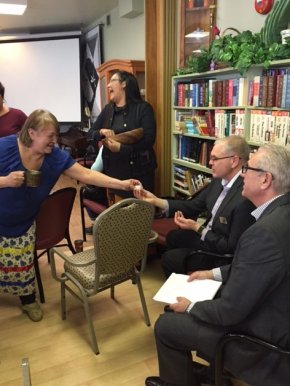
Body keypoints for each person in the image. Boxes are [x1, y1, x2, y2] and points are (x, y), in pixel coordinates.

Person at [145, 143, 290, 386]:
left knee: (166, 325)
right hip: (275, 317)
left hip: (260, 342)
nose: (243, 174)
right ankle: (208, 372)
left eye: (248, 169)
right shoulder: (279, 216)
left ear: (265, 180)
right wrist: (212, 274)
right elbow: (258, 268)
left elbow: (231, 310)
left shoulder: (263, 234)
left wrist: (191, 307)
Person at [0, 109, 141, 323]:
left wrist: (121, 184)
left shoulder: (54, 156)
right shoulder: (5, 147)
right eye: (50, 136)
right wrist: (6, 181)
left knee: (23, 265)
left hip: (23, 223)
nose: (54, 141)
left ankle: (28, 300)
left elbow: (86, 174)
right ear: (32, 133)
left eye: (55, 135)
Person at [134, 135, 256, 277]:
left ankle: (188, 291)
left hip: (221, 252)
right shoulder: (218, 181)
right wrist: (155, 201)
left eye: (215, 158)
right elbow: (194, 205)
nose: (210, 163)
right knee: (173, 237)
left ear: (234, 161)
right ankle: (186, 277)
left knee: (169, 259)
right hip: (208, 235)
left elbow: (230, 247)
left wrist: (197, 228)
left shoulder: (245, 195)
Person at [88, 70, 157, 206]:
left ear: (124, 84)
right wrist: (101, 131)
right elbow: (90, 133)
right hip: (114, 176)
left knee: (138, 218)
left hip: (140, 174)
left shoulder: (143, 108)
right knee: (117, 218)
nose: (108, 86)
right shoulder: (108, 109)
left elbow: (149, 140)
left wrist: (122, 148)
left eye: (112, 81)